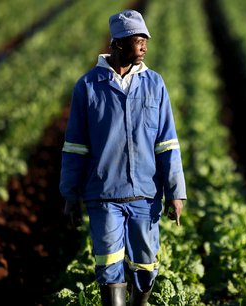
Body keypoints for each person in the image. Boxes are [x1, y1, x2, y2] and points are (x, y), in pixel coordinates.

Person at [59, 9, 186, 306]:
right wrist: (70, 194)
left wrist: (175, 193)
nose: (143, 46)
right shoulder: (88, 86)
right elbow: (75, 146)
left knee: (145, 265)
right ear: (117, 43)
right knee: (109, 264)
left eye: (145, 40)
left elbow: (167, 143)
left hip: (146, 195)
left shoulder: (155, 84)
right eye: (136, 40)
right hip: (103, 195)